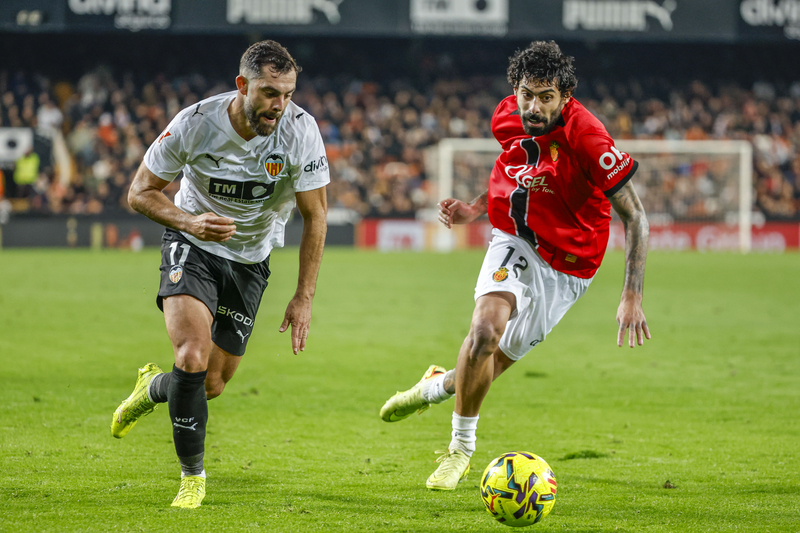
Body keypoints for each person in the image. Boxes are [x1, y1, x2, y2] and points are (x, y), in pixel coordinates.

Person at [379, 41, 650, 490]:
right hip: (517, 240)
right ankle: (460, 451)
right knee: (484, 333)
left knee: (484, 367)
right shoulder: (506, 116)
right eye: (527, 94)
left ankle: (433, 387)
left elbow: (636, 216)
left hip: (570, 266)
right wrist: (475, 208)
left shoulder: (588, 136)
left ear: (565, 96)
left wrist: (631, 295)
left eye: (546, 97)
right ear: (515, 90)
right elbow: (515, 172)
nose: (534, 107)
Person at [110, 40, 329, 508]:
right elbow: (139, 192)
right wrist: (189, 223)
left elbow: (316, 215)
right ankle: (192, 476)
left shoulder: (301, 131)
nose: (280, 105)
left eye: (288, 94)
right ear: (242, 85)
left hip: (250, 260)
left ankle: (152, 388)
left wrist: (304, 296)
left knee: (210, 384)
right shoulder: (195, 123)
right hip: (192, 244)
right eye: (270, 93)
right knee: (191, 355)